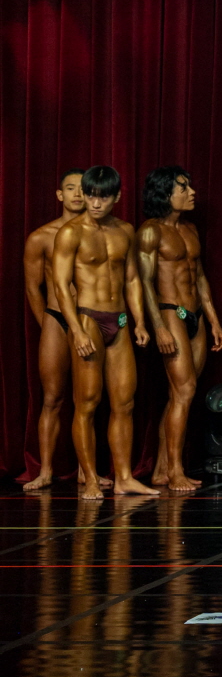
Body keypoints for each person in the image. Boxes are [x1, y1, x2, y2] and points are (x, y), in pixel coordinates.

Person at [50, 165, 155, 500]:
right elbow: (61, 285)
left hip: (120, 321)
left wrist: (140, 321)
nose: (95, 203)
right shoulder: (71, 233)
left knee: (124, 403)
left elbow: (132, 279)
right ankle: (91, 479)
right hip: (87, 319)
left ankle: (123, 478)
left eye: (103, 197)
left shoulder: (125, 231)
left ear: (117, 197)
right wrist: (76, 330)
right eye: (90, 196)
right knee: (88, 402)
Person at [139, 166, 222, 493]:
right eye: (183, 188)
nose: (192, 193)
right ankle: (176, 472)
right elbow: (144, 283)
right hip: (169, 311)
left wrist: (214, 320)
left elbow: (200, 278)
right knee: (185, 390)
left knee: (180, 394)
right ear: (166, 194)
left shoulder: (190, 229)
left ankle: (162, 469)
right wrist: (159, 327)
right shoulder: (150, 232)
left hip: (196, 315)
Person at [21, 169, 90, 491]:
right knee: (52, 398)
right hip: (56, 318)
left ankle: (86, 471)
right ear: (60, 195)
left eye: (82, 189)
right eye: (70, 188)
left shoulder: (98, 234)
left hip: (89, 318)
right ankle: (45, 471)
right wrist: (48, 323)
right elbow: (33, 287)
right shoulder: (41, 237)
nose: (77, 194)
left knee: (87, 400)